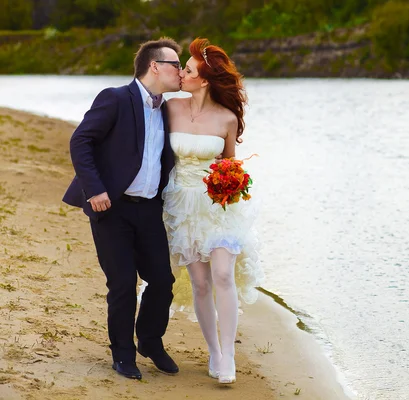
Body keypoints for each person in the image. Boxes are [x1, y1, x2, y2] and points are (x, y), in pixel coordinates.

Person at [62, 38, 182, 380]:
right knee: (123, 283)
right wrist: (95, 189)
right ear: (155, 66)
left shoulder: (168, 109)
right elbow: (80, 140)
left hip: (149, 210)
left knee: (162, 280)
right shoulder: (115, 98)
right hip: (112, 208)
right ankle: (123, 355)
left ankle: (150, 341)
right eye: (176, 64)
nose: (180, 70)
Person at [163, 37, 264, 384]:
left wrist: (231, 183)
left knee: (222, 274)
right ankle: (214, 352)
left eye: (187, 70)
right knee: (201, 283)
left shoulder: (226, 119)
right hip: (181, 204)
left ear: (203, 80)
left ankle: (230, 354)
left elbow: (231, 164)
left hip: (217, 205)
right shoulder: (170, 108)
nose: (180, 74)